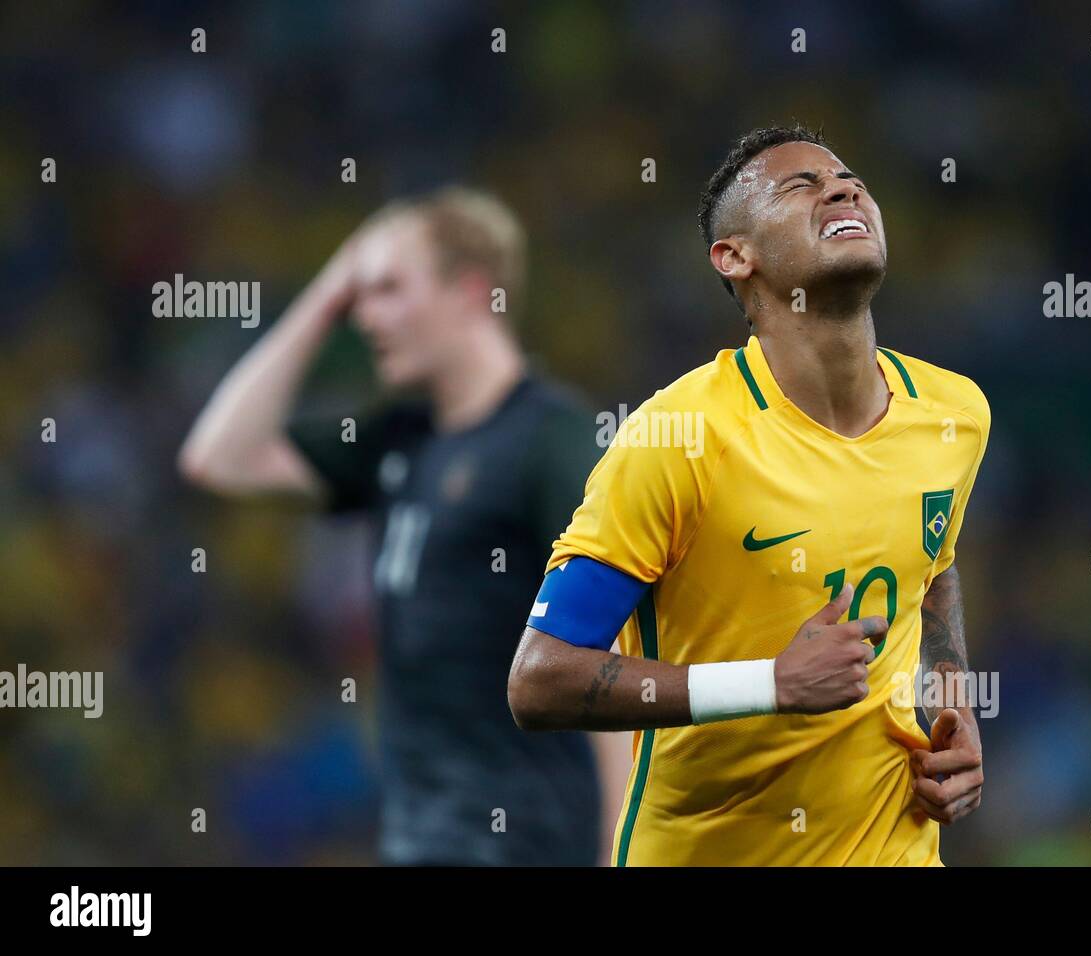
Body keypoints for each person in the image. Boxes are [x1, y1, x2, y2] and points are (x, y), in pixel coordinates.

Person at [508, 126, 990, 866]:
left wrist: (951, 703)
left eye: (851, 178)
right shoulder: (678, 436)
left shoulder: (955, 414)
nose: (842, 187)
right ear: (736, 257)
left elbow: (934, 563)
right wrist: (769, 683)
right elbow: (539, 681)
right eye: (801, 185)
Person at [180, 187, 627, 865]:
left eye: (387, 288)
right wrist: (327, 293)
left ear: (469, 291)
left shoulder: (551, 444)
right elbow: (220, 457)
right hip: (420, 841)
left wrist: (623, 854)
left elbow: (612, 661)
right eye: (360, 296)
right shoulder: (397, 443)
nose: (366, 316)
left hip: (527, 843)